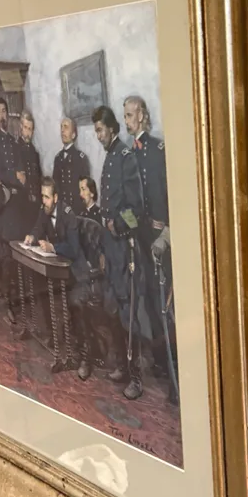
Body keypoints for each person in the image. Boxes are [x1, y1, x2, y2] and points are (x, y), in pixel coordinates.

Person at [92, 104, 144, 400]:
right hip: (110, 249)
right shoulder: (111, 157)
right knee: (112, 308)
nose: (97, 135)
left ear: (111, 128)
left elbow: (137, 210)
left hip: (125, 249)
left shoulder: (125, 157)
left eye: (100, 130)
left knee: (128, 313)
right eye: (96, 130)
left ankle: (136, 377)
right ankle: (123, 367)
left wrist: (117, 225)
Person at [25, 177, 99, 379]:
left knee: (75, 302)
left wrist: (53, 247)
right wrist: (32, 236)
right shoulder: (44, 210)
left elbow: (74, 249)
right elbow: (38, 227)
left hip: (77, 272)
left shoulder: (68, 215)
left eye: (47, 197)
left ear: (56, 198)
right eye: (42, 196)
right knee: (41, 288)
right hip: (59, 269)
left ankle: (84, 358)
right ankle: (56, 339)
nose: (44, 201)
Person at [123, 95, 174, 383]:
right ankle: (160, 362)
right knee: (148, 300)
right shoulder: (129, 153)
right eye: (125, 116)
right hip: (141, 239)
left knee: (163, 302)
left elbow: (170, 193)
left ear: (141, 116)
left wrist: (165, 230)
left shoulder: (157, 150)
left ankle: (174, 361)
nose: (127, 121)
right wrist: (132, 230)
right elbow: (128, 202)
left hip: (159, 239)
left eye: (130, 115)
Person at [0, 97, 33, 321]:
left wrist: (15, 177)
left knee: (19, 257)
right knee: (6, 258)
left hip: (18, 206)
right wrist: (13, 177)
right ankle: (8, 303)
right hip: (4, 207)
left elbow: (22, 174)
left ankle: (22, 302)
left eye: (4, 111)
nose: (2, 115)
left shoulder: (14, 143)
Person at [52, 117, 90, 216]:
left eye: (66, 127)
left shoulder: (81, 158)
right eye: (61, 127)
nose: (62, 130)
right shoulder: (58, 158)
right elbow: (55, 186)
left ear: (73, 134)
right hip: (61, 211)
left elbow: (86, 188)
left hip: (76, 211)